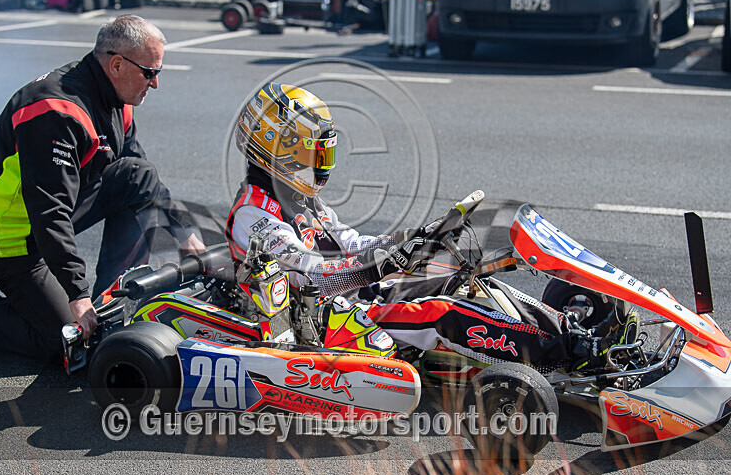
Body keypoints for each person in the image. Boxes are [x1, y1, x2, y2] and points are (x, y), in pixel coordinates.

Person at [225, 82, 638, 373]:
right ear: (280, 151)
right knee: (442, 312)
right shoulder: (254, 216)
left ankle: (567, 326)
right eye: (315, 151)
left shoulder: (299, 199)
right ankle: (572, 351)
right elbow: (312, 275)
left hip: (361, 294)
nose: (323, 162)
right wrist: (385, 263)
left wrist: (411, 242)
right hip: (324, 322)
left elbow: (347, 241)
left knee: (460, 275)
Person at [0, 15, 205, 360]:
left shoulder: (113, 97)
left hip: (46, 214)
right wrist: (78, 293)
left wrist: (185, 233)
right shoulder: (56, 112)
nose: (155, 84)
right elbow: (49, 210)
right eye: (150, 73)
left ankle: (115, 300)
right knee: (65, 343)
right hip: (3, 233)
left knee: (136, 177)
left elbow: (138, 173)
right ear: (117, 64)